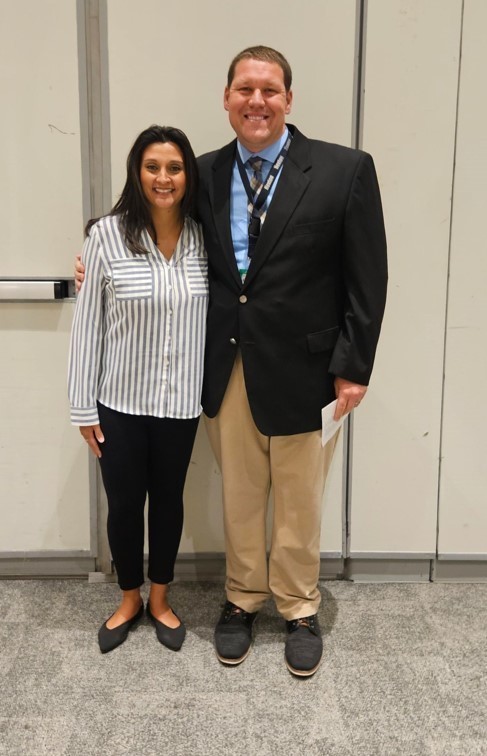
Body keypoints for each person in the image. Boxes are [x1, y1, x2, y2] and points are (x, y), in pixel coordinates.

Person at [76, 46, 387, 677]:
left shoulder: (342, 169)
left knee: (300, 497)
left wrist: (354, 367)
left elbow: (367, 277)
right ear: (226, 99)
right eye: (244, 88)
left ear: (289, 100)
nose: (257, 101)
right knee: (241, 496)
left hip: (310, 371)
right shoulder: (205, 173)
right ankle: (243, 599)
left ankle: (299, 606)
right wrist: (90, 252)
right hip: (226, 368)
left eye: (270, 90)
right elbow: (148, 215)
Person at [69, 125, 208, 654]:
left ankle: (160, 599)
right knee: (125, 504)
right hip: (119, 403)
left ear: (187, 175)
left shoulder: (203, 238)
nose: (163, 178)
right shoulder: (105, 236)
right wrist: (83, 404)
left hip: (179, 404)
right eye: (153, 167)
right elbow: (89, 324)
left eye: (174, 168)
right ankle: (129, 597)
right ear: (136, 172)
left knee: (168, 503)